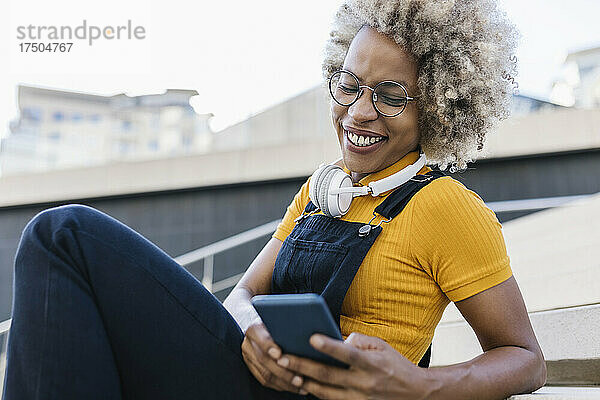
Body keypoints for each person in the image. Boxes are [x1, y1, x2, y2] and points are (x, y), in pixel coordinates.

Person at [3, 0, 546, 399]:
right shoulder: (320, 190)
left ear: (438, 105)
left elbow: (525, 361)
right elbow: (242, 295)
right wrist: (252, 333)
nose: (358, 112)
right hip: (253, 384)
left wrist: (417, 385)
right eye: (350, 84)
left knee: (64, 235)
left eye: (391, 95)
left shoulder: (448, 208)